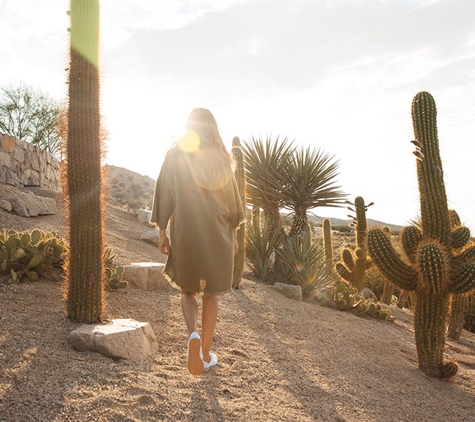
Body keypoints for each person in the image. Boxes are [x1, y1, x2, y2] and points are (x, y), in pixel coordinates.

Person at [151, 108, 244, 376]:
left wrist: (162, 231)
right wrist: (234, 239)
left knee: (187, 290)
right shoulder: (223, 161)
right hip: (218, 235)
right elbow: (233, 204)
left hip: (186, 231)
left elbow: (164, 194)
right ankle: (204, 354)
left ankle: (193, 335)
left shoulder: (174, 156)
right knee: (211, 294)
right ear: (213, 129)